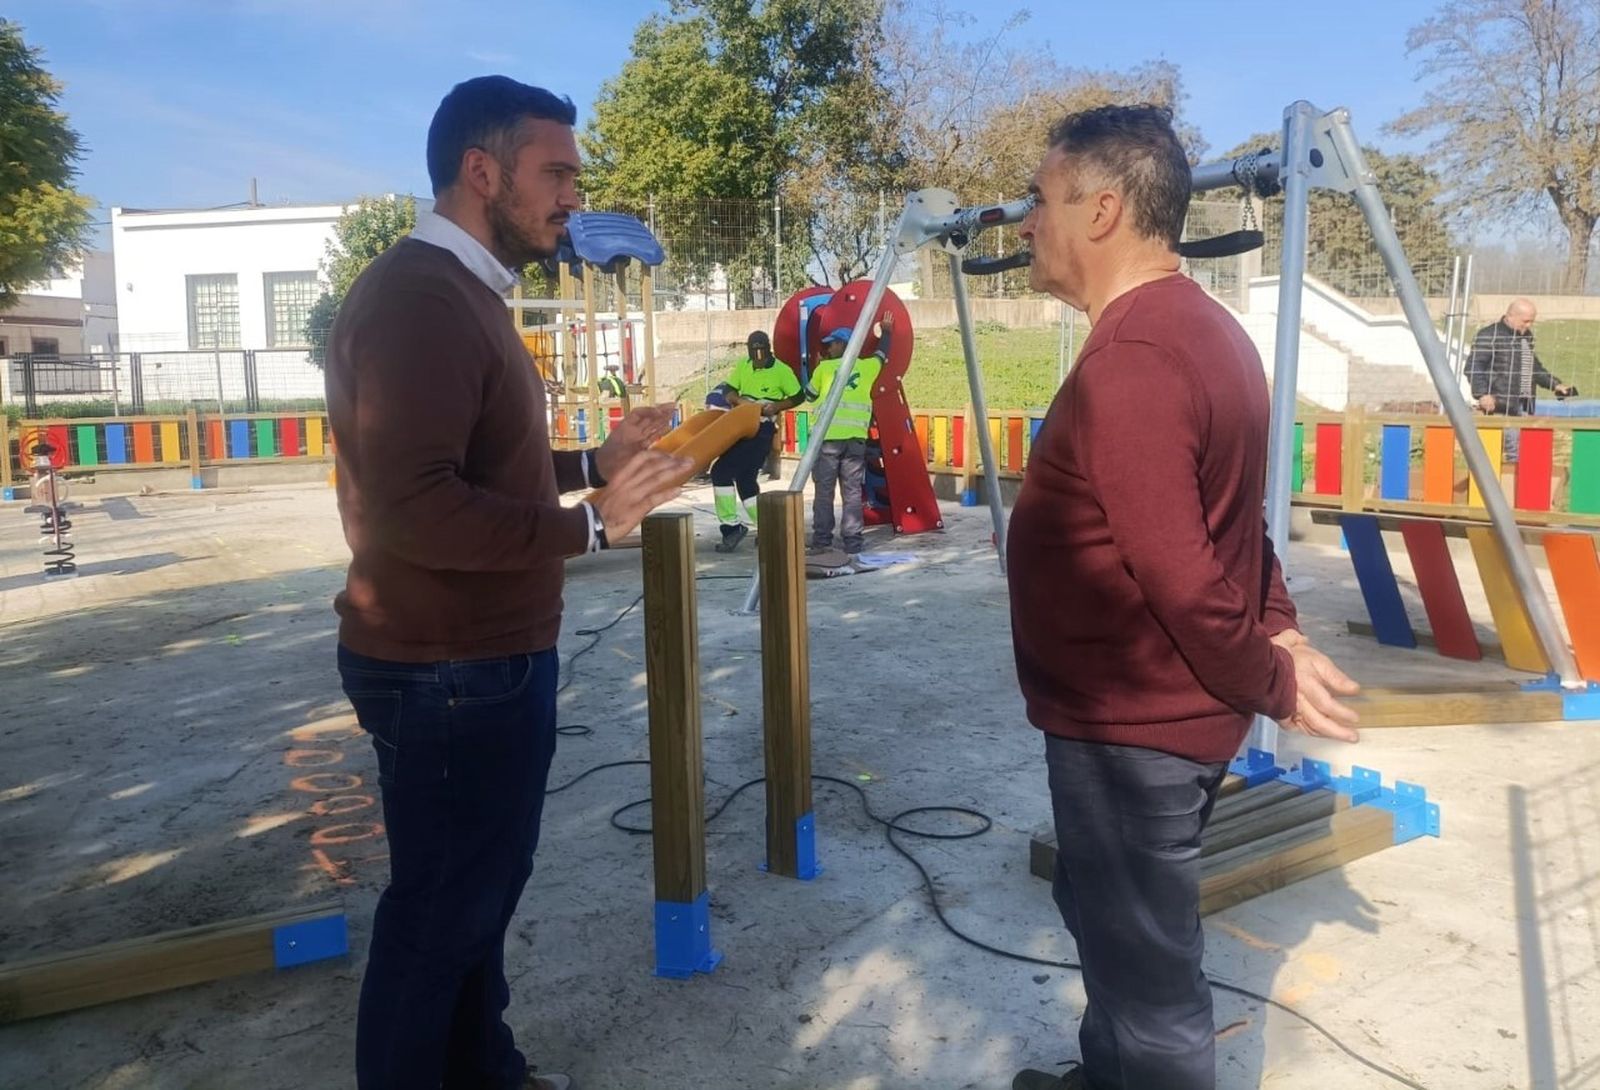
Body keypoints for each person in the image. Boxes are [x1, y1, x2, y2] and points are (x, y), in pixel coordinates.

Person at [324, 75, 688, 1090]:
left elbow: (485, 465)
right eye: (557, 173)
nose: (574, 194)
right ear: (481, 171)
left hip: (480, 663)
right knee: (440, 914)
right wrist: (592, 527)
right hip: (447, 668)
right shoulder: (418, 301)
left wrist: (595, 463)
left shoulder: (461, 294)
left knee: (475, 901)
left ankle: (485, 1070)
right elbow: (415, 508)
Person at [1005, 104, 1362, 1090]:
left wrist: (1270, 676)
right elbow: (1232, 518)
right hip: (1138, 721)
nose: (1026, 223)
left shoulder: (1137, 358)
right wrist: (1280, 632)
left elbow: (1181, 570)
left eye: (1042, 201)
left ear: (1103, 209)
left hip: (1133, 730)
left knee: (1150, 977)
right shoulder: (1202, 330)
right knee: (1107, 917)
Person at [806, 314, 891, 557]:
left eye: (832, 343)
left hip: (828, 441)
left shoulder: (825, 368)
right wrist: (887, 332)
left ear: (843, 345)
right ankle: (853, 542)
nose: (828, 347)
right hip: (855, 441)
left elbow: (810, 395)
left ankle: (822, 541)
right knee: (852, 491)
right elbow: (882, 355)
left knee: (824, 492)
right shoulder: (866, 368)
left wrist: (816, 366)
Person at [710, 329, 803, 552]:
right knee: (745, 480)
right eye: (755, 355)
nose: (759, 360)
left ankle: (731, 528)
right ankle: (767, 528)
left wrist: (777, 406)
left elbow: (798, 396)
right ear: (750, 353)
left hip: (762, 429)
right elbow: (729, 390)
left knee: (721, 472)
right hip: (741, 425)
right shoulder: (743, 366)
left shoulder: (782, 371)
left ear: (768, 351)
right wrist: (740, 402)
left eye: (762, 354)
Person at [1465, 298, 1578, 463]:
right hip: (1500, 404)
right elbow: (1473, 367)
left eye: (1532, 321)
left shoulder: (1526, 337)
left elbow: (1533, 368)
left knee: (1524, 453)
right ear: (1511, 316)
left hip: (1525, 404)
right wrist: (1482, 394)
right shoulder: (1489, 335)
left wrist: (1555, 384)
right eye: (1526, 321)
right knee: (1511, 453)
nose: (1529, 326)